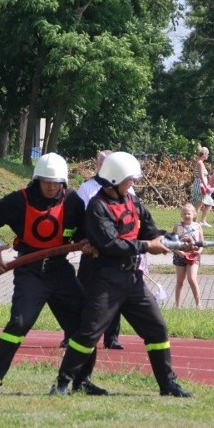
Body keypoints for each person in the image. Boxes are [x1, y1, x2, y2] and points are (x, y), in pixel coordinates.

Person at [53, 151, 193, 398]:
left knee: (157, 329)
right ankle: (63, 382)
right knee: (89, 332)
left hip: (133, 279)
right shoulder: (97, 207)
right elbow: (110, 244)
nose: (134, 183)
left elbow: (150, 231)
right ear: (115, 180)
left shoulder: (132, 201)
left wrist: (176, 240)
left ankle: (167, 384)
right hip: (104, 280)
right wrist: (147, 246)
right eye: (130, 179)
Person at [0, 152, 101, 397]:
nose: (52, 187)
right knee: (19, 323)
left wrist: (87, 243)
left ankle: (81, 380)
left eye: (57, 183)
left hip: (60, 271)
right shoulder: (19, 201)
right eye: (47, 182)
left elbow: (83, 233)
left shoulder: (73, 201)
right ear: (37, 180)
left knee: (84, 324)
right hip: (30, 272)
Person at [74, 149, 124, 350]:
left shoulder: (124, 189)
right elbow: (79, 218)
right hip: (91, 250)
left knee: (115, 295)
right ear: (97, 166)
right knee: (82, 292)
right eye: (102, 164)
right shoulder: (86, 188)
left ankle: (111, 337)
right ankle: (74, 334)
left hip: (115, 251)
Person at [171, 204, 203, 308]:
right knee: (180, 281)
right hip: (180, 254)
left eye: (189, 213)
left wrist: (200, 251)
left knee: (192, 279)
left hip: (193, 254)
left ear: (194, 214)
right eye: (184, 213)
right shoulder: (177, 226)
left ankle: (199, 304)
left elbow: (202, 242)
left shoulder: (198, 226)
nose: (186, 215)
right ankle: (178, 306)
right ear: (181, 215)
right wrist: (177, 251)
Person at [189, 146, 214, 227]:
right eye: (207, 154)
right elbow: (201, 176)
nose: (208, 155)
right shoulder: (200, 163)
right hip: (200, 185)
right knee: (198, 205)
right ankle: (194, 222)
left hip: (200, 185)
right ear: (204, 154)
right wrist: (206, 186)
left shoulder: (200, 162)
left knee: (203, 204)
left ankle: (198, 221)